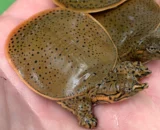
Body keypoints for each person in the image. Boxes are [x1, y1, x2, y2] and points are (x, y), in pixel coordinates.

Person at [0, 0, 160, 129]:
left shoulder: (111, 67)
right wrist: (85, 115)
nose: (131, 87)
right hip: (33, 45)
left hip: (65, 32)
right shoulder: (80, 98)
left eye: (127, 87)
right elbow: (81, 107)